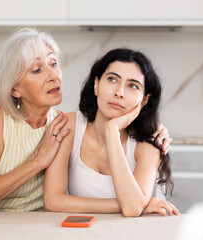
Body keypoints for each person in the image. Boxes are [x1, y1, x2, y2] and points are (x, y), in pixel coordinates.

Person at [0, 28, 171, 213]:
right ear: (14, 88)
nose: (53, 75)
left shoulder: (59, 123)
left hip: (37, 223)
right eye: (37, 69)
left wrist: (151, 125)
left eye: (54, 63)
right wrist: (38, 163)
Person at [43, 48, 180, 217]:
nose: (119, 93)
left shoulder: (150, 141)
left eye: (133, 86)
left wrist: (112, 130)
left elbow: (131, 210)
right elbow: (52, 201)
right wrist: (129, 203)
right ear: (96, 85)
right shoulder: (69, 125)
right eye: (112, 79)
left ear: (144, 100)